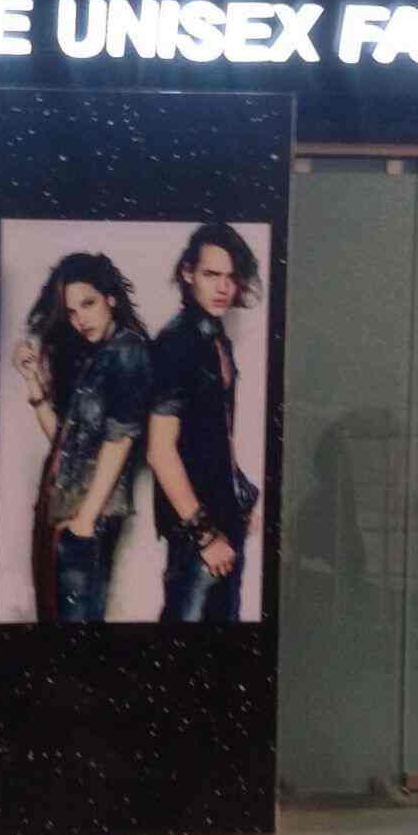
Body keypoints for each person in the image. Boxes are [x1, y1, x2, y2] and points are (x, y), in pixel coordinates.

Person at [13, 252, 152, 622]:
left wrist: (85, 520)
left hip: (89, 518)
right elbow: (63, 442)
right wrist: (33, 384)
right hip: (66, 513)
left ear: (111, 298)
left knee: (75, 630)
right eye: (71, 313)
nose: (80, 320)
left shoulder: (128, 350)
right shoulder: (96, 357)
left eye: (88, 304)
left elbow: (120, 439)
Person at [147, 223, 262, 622]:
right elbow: (160, 451)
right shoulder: (176, 342)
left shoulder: (215, 337)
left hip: (224, 517)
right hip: (197, 530)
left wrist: (239, 496)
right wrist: (205, 534)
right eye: (211, 274)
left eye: (231, 276)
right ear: (187, 273)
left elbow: (217, 433)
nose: (223, 287)